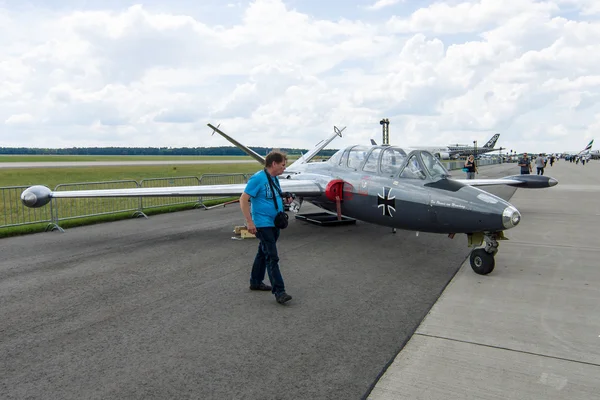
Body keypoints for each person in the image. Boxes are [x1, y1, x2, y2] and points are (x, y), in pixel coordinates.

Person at [240, 151, 294, 305]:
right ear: (274, 163)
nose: (284, 168)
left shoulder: (274, 178)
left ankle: (255, 281)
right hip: (262, 224)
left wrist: (286, 195)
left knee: (263, 253)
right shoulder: (258, 178)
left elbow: (272, 195)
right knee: (272, 256)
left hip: (274, 222)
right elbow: (243, 200)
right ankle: (280, 292)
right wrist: (250, 222)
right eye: (283, 165)